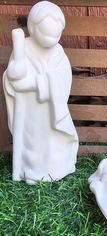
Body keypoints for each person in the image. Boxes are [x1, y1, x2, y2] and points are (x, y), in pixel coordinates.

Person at [3, 1, 78, 184]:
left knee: (54, 141)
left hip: (52, 109)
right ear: (32, 28)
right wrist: (13, 76)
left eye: (57, 34)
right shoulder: (23, 47)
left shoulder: (59, 52)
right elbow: (14, 76)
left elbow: (63, 78)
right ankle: (32, 172)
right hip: (30, 109)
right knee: (34, 141)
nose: (51, 40)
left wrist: (34, 82)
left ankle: (58, 167)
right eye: (46, 34)